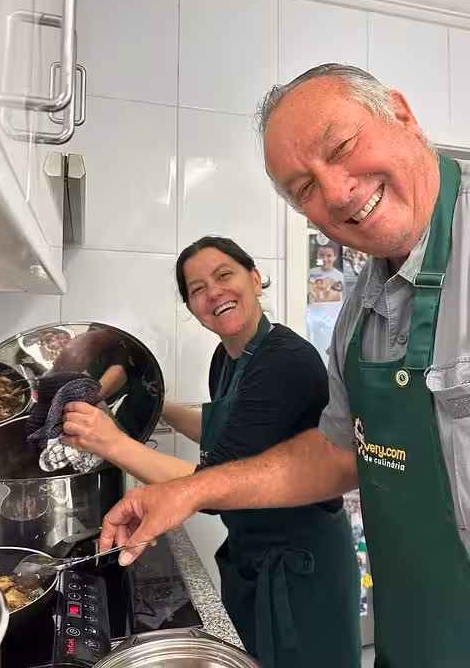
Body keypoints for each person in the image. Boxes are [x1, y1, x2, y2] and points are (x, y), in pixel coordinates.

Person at [96, 63, 470, 668]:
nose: (338, 191)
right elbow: (337, 454)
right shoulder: (356, 317)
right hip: (415, 637)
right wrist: (186, 490)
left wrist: (116, 443)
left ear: (400, 113)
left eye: (342, 146)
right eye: (304, 189)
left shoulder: (287, 357)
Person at [62, 235, 361, 668]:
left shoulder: (287, 361)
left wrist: (110, 441)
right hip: (252, 555)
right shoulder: (227, 358)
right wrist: (156, 402)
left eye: (224, 275)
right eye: (197, 289)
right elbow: (226, 432)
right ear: (192, 309)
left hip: (299, 566)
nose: (213, 292)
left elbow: (212, 483)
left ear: (255, 279)